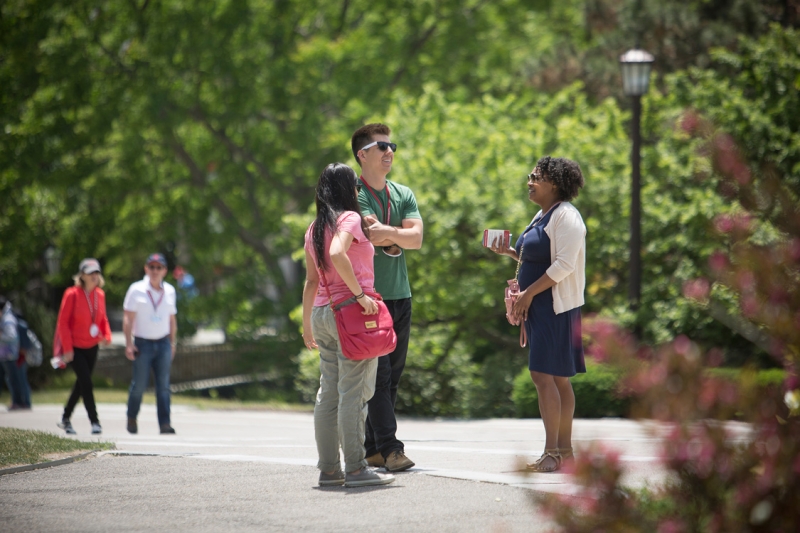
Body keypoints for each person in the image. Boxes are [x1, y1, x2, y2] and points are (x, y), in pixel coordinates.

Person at [490, 156, 587, 472]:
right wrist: (510, 253)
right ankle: (564, 452)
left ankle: (553, 453)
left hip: (554, 306)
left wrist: (529, 293)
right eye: (530, 175)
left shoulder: (567, 217)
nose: (529, 181)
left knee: (544, 375)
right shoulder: (543, 215)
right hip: (539, 306)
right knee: (556, 377)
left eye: (536, 177)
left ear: (555, 184)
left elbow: (564, 265)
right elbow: (537, 258)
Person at [302, 162, 395, 488]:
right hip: (351, 316)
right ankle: (355, 468)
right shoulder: (349, 218)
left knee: (328, 395)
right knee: (353, 394)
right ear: (347, 189)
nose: (358, 189)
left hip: (323, 314)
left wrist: (307, 325)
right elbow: (338, 251)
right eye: (355, 184)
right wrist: (360, 296)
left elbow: (312, 280)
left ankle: (329, 470)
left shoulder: (314, 227)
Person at [351, 123, 423, 472]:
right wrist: (398, 236)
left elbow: (417, 239)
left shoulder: (403, 193)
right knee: (378, 376)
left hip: (401, 294)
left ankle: (372, 448)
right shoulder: (354, 193)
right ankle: (392, 449)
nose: (389, 151)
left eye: (391, 145)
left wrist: (389, 234)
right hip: (370, 299)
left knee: (392, 376)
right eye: (381, 147)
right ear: (362, 155)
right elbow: (368, 233)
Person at [54, 259, 113, 434]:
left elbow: (103, 319)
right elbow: (62, 323)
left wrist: (107, 336)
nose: (94, 276)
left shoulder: (100, 295)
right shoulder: (72, 294)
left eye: (97, 272)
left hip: (92, 346)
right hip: (75, 347)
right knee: (87, 383)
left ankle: (65, 418)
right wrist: (67, 348)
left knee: (81, 384)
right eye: (90, 273)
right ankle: (95, 422)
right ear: (82, 276)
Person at [123, 253, 178, 435]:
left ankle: (165, 424)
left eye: (158, 267)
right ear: (146, 269)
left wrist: (172, 343)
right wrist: (129, 344)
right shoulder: (136, 289)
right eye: (151, 267)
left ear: (164, 271)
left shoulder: (169, 290)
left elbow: (171, 319)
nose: (155, 271)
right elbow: (128, 318)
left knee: (164, 385)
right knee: (139, 384)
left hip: (162, 343)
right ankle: (132, 417)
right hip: (143, 343)